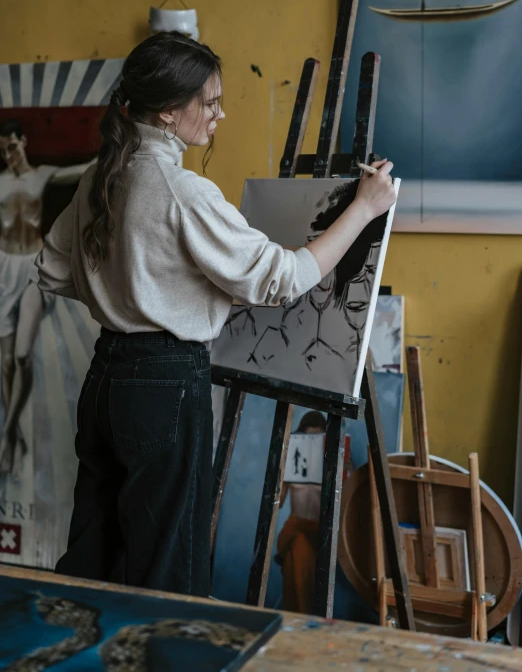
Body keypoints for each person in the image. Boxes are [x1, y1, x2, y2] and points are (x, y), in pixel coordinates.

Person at [35, 31, 395, 597]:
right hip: (163, 386)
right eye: (210, 101)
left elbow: (53, 269)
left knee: (94, 559)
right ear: (169, 109)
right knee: (164, 569)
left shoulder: (103, 173)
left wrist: (132, 292)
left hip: (105, 377)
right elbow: (284, 278)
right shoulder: (181, 190)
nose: (219, 114)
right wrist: (364, 207)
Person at [0, 120, 94, 474]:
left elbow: (83, 170)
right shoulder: (0, 183)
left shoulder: (42, 176)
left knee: (22, 356)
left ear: (22, 142)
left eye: (11, 147)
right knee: (6, 363)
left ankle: (7, 436)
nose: (8, 156)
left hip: (31, 270)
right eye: (2, 151)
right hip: (3, 269)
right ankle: (13, 436)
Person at [277, 411, 327, 614]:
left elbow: (340, 510)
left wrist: (343, 474)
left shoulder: (333, 462)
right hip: (294, 526)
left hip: (318, 532)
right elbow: (277, 503)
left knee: (301, 554)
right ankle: (299, 616)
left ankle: (300, 616)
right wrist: (282, 470)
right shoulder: (294, 461)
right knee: (297, 546)